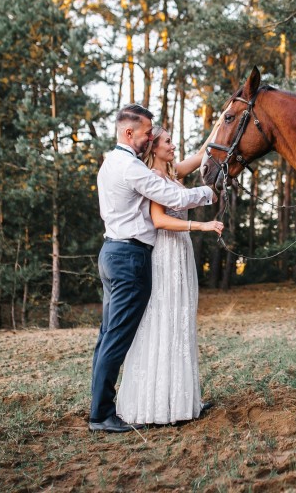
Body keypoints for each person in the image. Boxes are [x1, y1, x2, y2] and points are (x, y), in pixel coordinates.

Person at [90, 104, 216, 433]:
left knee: (107, 336)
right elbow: (165, 195)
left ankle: (100, 408)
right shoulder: (131, 166)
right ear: (129, 133)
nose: (151, 136)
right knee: (116, 338)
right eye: (147, 132)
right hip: (129, 256)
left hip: (112, 252)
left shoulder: (110, 163)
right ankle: (101, 414)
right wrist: (208, 194)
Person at [116, 124, 224, 425]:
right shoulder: (152, 179)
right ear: (154, 147)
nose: (173, 145)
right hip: (165, 252)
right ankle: (157, 404)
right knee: (165, 318)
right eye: (167, 141)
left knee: (182, 319)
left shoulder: (174, 172)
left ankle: (181, 399)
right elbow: (160, 220)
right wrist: (200, 226)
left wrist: (219, 124)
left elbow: (203, 153)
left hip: (182, 254)